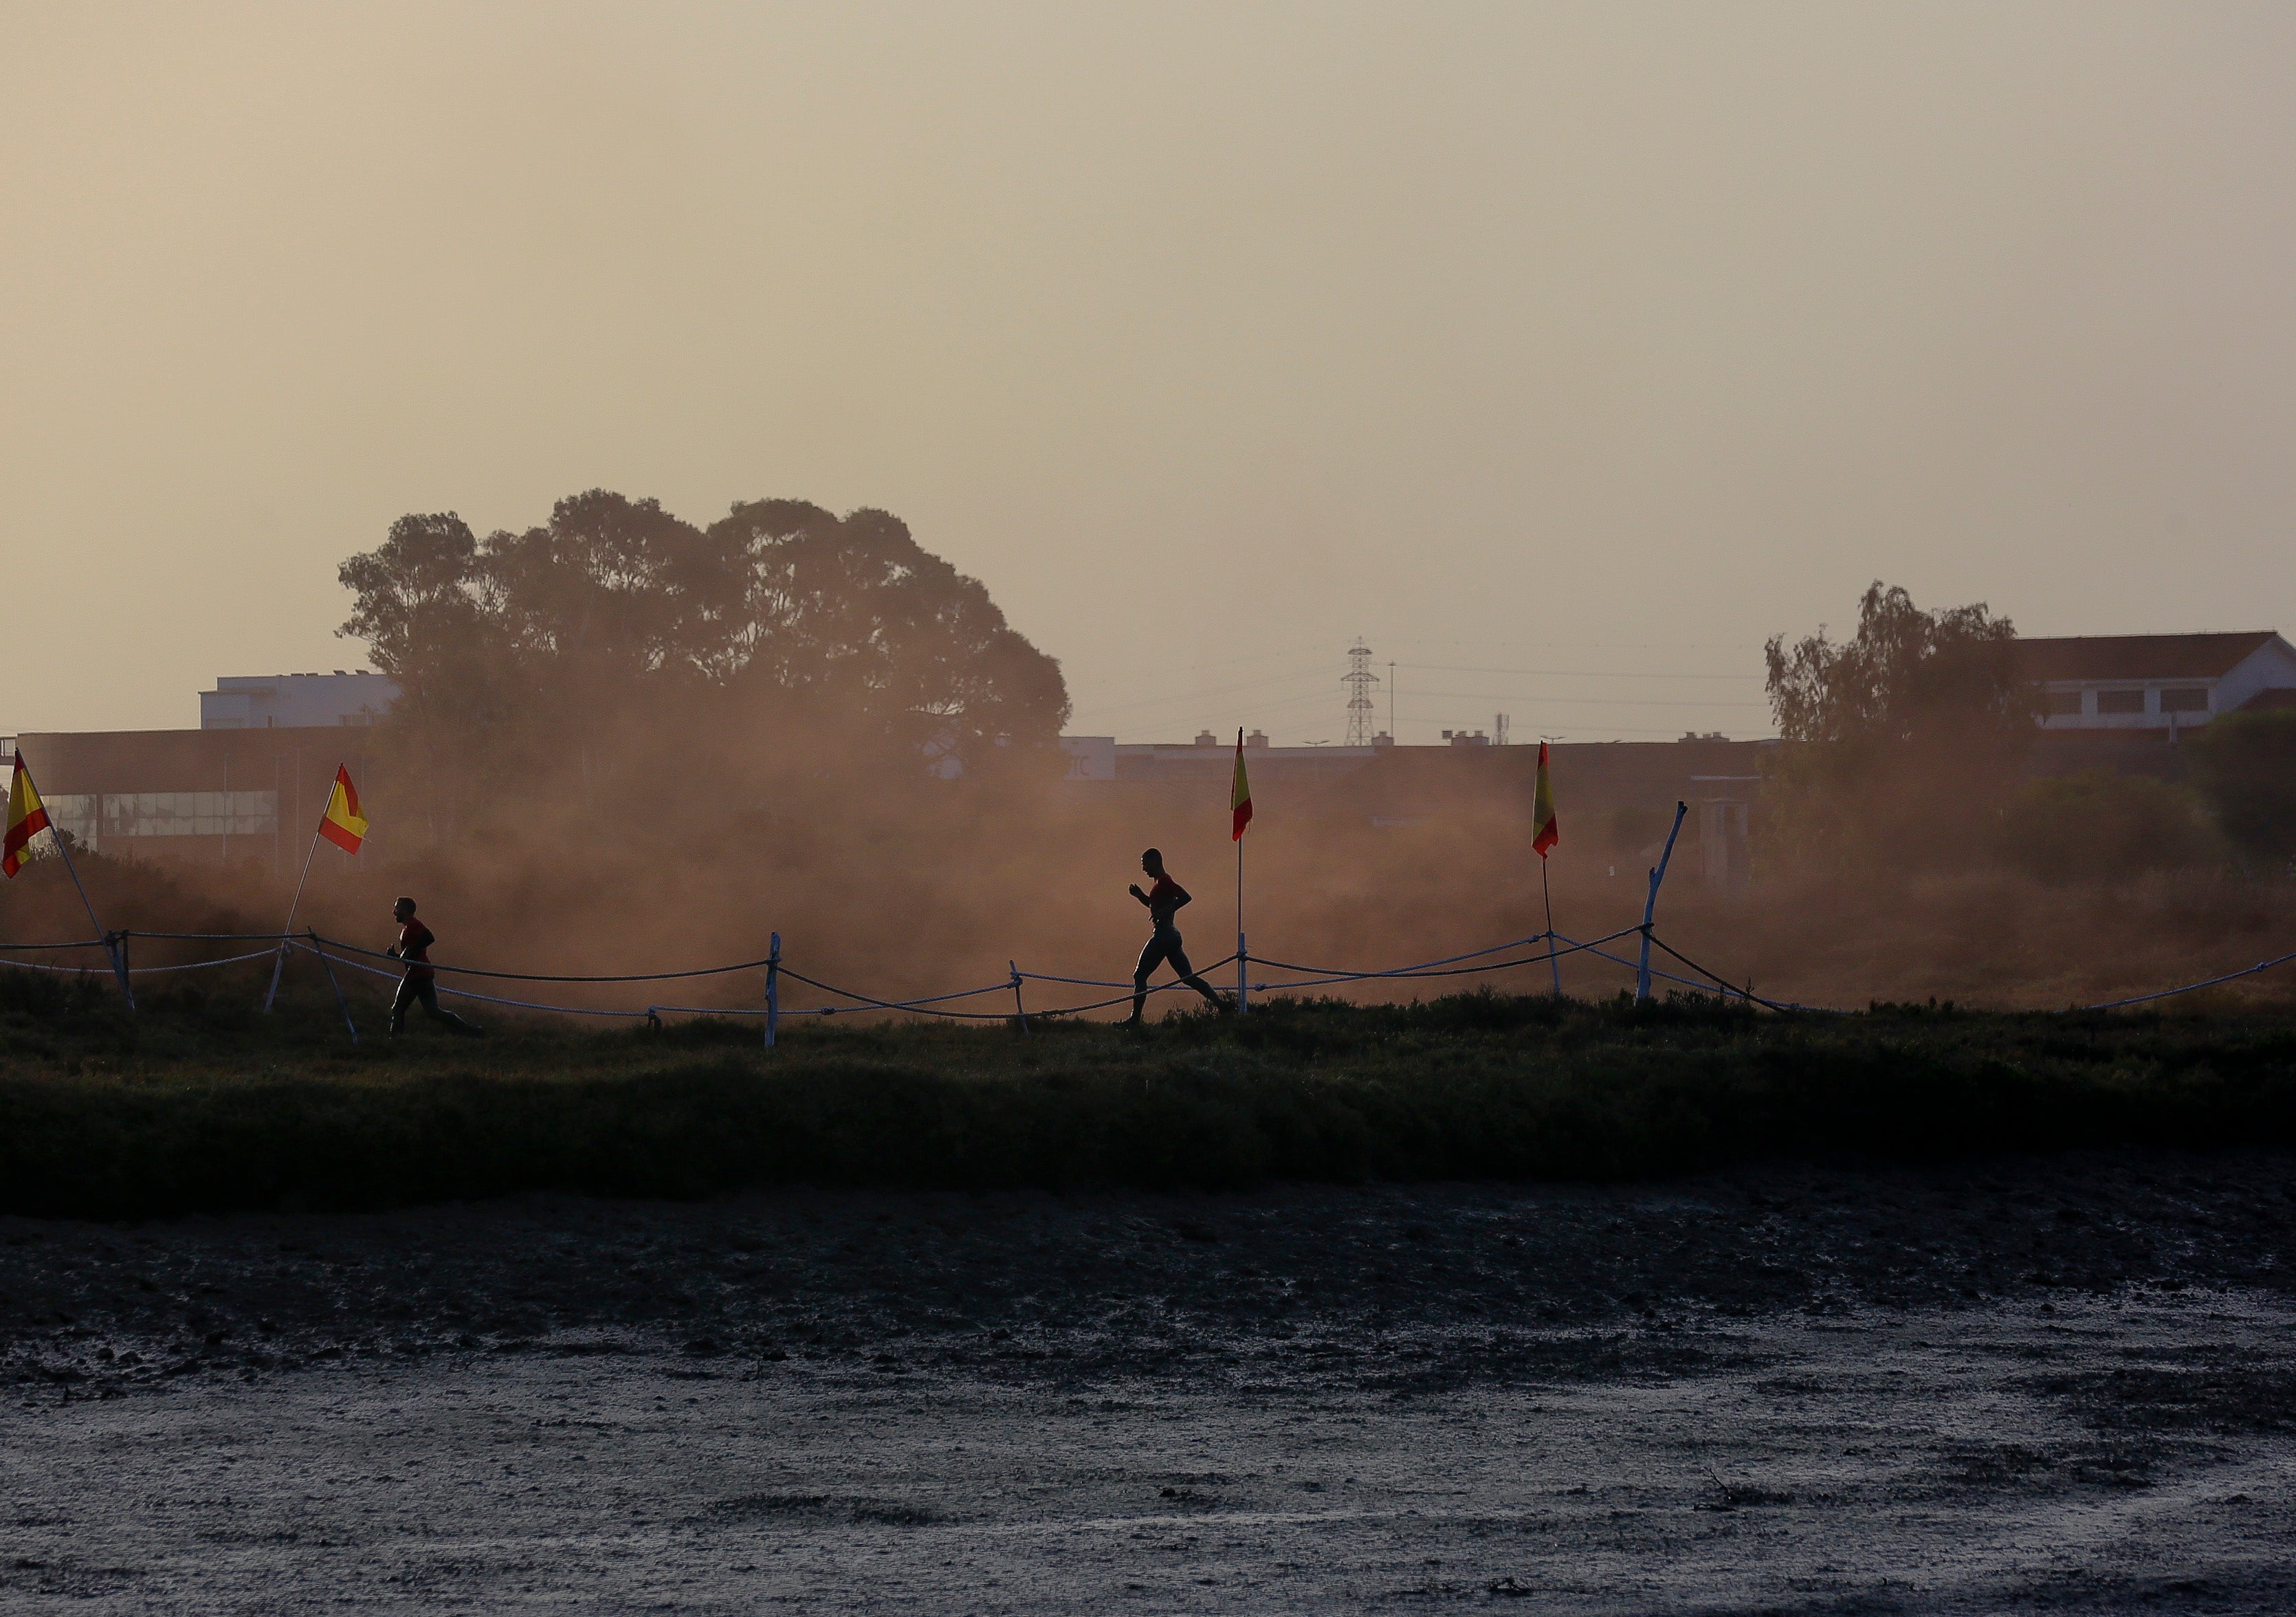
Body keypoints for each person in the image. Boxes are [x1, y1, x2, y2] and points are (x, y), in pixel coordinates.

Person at [1124, 848, 1230, 1026]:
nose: (1144, 869)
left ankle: (1135, 1020)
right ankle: (1222, 1005)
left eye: (1145, 864)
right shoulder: (1160, 883)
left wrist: (1166, 910)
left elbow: (1185, 897)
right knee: (1188, 977)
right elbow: (1154, 904)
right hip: (1171, 935)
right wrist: (1140, 896)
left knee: (1139, 975)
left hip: (1164, 935)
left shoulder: (1165, 880)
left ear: (1156, 861)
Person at [386, 896, 483, 1038]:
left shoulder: (413, 924)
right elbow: (411, 955)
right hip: (422, 973)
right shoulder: (408, 927)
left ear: (405, 910)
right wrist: (397, 955)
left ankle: (394, 1041)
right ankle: (471, 1031)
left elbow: (429, 937)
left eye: (397, 908)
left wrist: (411, 949)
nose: (394, 912)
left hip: (417, 974)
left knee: (398, 1009)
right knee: (434, 1012)